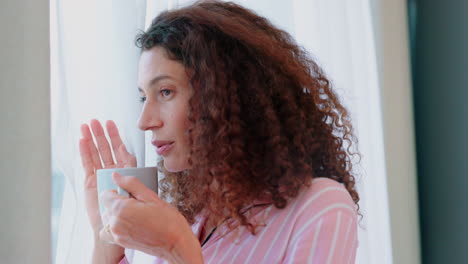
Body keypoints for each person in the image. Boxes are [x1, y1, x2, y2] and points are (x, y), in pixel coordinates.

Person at [79, 1, 361, 263]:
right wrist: (108, 243)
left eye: (165, 92)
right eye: (144, 97)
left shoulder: (321, 207)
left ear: (224, 96)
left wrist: (177, 247)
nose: (145, 121)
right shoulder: (193, 221)